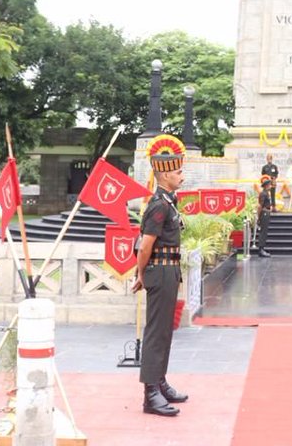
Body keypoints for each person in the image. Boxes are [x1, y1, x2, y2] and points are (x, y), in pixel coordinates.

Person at [133, 134, 189, 417]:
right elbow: (145, 246)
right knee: (156, 333)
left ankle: (160, 381)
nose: (182, 175)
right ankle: (150, 393)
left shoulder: (169, 202)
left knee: (165, 331)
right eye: (178, 171)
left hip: (170, 270)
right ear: (164, 175)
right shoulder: (158, 205)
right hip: (159, 271)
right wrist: (141, 274)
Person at [256, 176, 274, 258]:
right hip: (264, 214)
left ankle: (262, 248)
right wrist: (258, 216)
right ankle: (261, 250)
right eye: (269, 185)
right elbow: (260, 206)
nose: (270, 186)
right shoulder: (263, 193)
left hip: (266, 213)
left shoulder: (266, 193)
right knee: (263, 232)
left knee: (264, 231)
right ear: (266, 186)